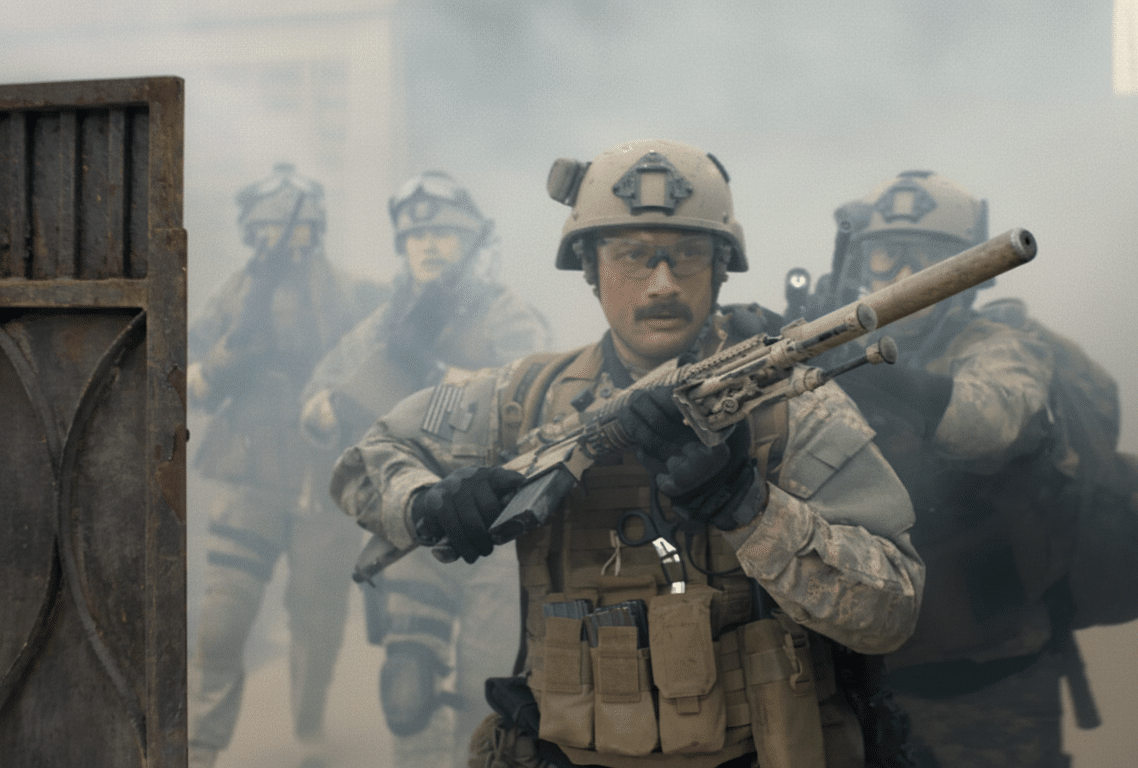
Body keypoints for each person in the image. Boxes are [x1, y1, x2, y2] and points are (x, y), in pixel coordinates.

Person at [329, 139, 926, 768]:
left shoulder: (788, 406)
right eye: (633, 256)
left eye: (688, 255)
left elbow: (892, 608)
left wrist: (749, 508)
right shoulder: (526, 400)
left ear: (720, 268)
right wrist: (427, 505)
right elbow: (364, 463)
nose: (662, 284)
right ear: (591, 268)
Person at [804, 171, 1138, 768]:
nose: (902, 276)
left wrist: (880, 380)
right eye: (886, 256)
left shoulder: (999, 343)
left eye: (926, 260)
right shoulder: (836, 350)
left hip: (990, 683)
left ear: (968, 275)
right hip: (863, 675)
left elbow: (994, 420)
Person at [300, 170, 552, 768]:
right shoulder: (385, 326)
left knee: (486, 699)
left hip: (497, 528)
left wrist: (436, 378)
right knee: (406, 689)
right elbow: (315, 398)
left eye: (443, 233)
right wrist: (332, 407)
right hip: (416, 523)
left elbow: (534, 398)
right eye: (416, 236)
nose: (429, 245)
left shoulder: (506, 314)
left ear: (470, 241)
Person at [186, 163, 386, 768]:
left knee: (318, 619)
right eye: (271, 226)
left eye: (296, 225)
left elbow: (386, 365)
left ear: (315, 230)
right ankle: (200, 744)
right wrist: (224, 364)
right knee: (222, 620)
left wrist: (342, 400)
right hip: (249, 471)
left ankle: (308, 728)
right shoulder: (232, 296)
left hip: (326, 477)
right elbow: (185, 378)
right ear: (253, 231)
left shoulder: (352, 295)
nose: (283, 237)